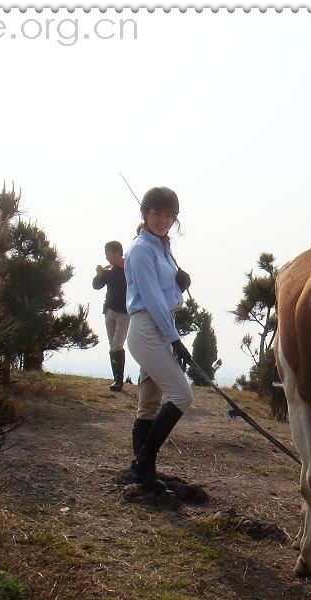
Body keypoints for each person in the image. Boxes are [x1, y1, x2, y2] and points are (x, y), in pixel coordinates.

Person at [124, 186, 194, 491]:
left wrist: (179, 286)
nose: (162, 219)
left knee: (149, 402)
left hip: (159, 326)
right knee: (182, 395)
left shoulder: (163, 248)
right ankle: (143, 462)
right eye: (157, 213)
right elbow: (151, 299)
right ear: (145, 214)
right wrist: (175, 339)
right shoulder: (141, 249)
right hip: (147, 327)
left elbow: (165, 295)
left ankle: (142, 469)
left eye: (169, 215)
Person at [92, 241, 129, 391]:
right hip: (110, 311)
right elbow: (96, 286)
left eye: (109, 254)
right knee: (112, 346)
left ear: (117, 253)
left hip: (125, 313)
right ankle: (117, 379)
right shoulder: (109, 271)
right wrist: (99, 274)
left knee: (117, 345)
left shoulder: (129, 269)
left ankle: (118, 382)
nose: (107, 257)